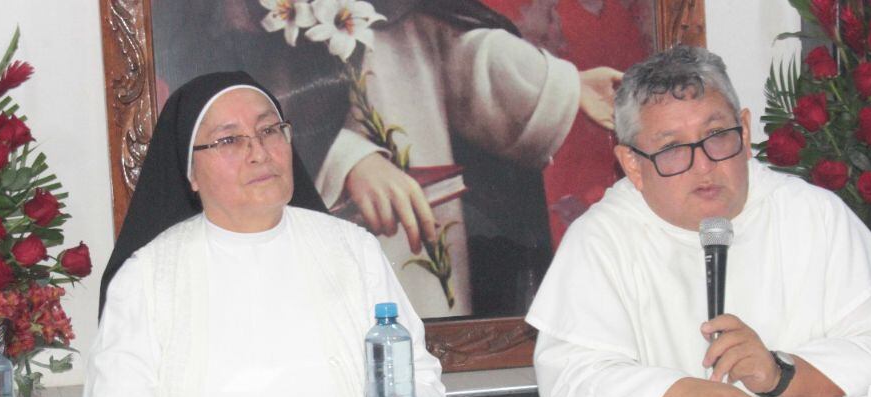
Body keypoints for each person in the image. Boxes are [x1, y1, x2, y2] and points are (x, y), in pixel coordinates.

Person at [526, 46, 871, 397]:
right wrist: (677, 395)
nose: (704, 166)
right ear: (633, 164)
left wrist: (780, 374)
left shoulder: (814, 215)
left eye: (716, 136)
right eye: (672, 149)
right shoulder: (601, 238)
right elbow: (570, 379)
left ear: (743, 132)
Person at [151, 0, 622, 317]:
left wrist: (565, 85)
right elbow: (218, 102)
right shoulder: (227, 13)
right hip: (314, 207)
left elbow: (447, 45)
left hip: (421, 202)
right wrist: (346, 159)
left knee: (423, 307)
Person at [79, 72, 445, 397]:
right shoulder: (146, 275)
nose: (259, 152)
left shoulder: (352, 249)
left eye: (270, 130)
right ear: (191, 174)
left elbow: (422, 380)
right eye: (229, 139)